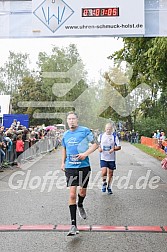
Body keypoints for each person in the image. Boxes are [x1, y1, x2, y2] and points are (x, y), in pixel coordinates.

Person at [61, 111, 98, 236]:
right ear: (67, 121)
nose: (71, 121)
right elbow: (64, 149)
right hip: (70, 167)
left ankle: (80, 204)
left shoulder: (85, 131)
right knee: (72, 195)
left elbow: (95, 144)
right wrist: (62, 163)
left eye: (73, 118)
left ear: (77, 120)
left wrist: (85, 154)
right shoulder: (65, 134)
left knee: (82, 192)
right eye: (69, 119)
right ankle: (73, 225)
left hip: (84, 166)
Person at [98, 123, 121, 194]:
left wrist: (113, 149)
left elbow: (119, 147)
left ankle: (109, 187)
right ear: (105, 129)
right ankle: (104, 183)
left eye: (110, 129)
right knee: (104, 171)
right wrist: (99, 149)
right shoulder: (101, 136)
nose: (108, 130)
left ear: (112, 129)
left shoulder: (114, 136)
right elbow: (97, 145)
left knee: (110, 174)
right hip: (103, 157)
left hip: (111, 159)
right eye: (107, 129)